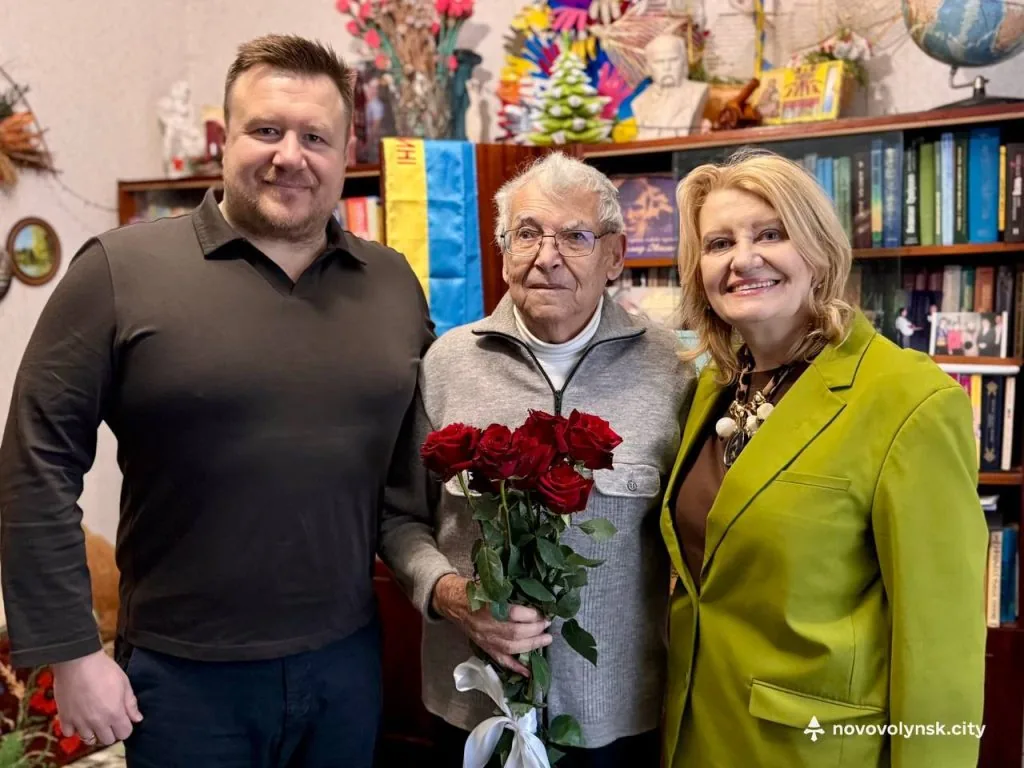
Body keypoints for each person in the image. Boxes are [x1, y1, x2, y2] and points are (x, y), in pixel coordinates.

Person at [0, 34, 434, 768]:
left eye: (315, 137)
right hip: (183, 679)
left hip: (348, 666)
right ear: (225, 140)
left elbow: (410, 474)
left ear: (346, 153)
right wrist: (71, 653)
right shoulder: (120, 271)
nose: (289, 156)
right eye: (266, 130)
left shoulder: (393, 284)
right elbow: (34, 464)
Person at [660, 150, 987, 767]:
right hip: (693, 735)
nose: (743, 259)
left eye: (770, 234)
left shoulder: (908, 398)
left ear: (818, 250)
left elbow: (941, 645)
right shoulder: (710, 390)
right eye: (719, 243)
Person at [380, 152, 696, 767]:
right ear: (504, 253)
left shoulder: (674, 372)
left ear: (615, 256)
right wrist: (450, 593)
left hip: (617, 718)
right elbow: (398, 518)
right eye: (527, 233)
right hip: (473, 711)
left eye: (575, 237)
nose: (546, 257)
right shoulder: (446, 364)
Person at [631, 34, 710, 140]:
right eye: (659, 62)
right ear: (648, 67)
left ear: (684, 62)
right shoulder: (639, 102)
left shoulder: (698, 92)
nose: (667, 67)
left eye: (673, 60)